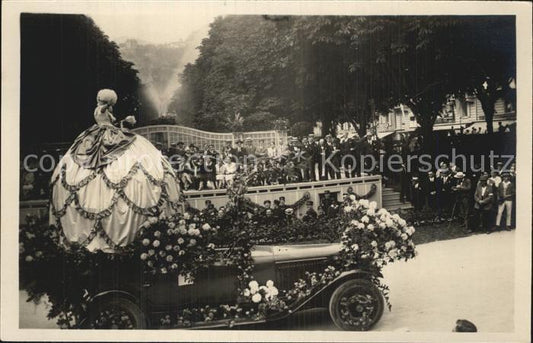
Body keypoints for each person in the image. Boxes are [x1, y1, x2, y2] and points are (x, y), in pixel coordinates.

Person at [49, 89, 181, 252]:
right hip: (104, 136)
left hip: (112, 133)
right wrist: (112, 112)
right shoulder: (101, 110)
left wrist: (124, 122)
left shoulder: (105, 110)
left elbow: (112, 124)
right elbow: (104, 121)